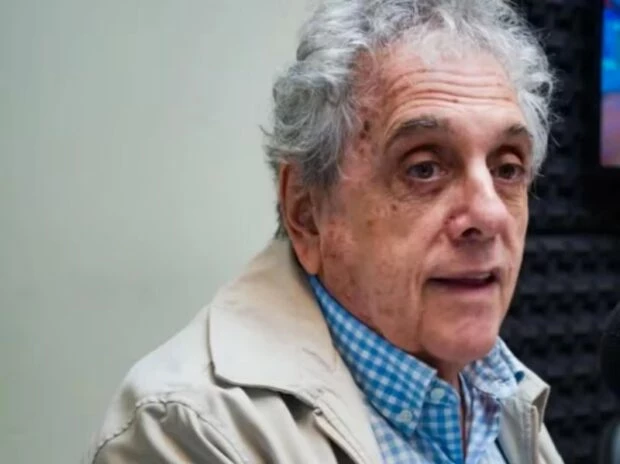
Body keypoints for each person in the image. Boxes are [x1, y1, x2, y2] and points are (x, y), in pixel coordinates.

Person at [86, 0, 564, 462]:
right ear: (307, 212)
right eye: (423, 168)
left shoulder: (500, 392)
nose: (489, 215)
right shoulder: (187, 428)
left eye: (507, 169)